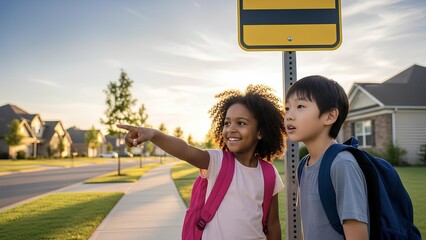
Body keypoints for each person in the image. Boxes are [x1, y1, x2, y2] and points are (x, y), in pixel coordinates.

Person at [118, 84, 286, 240]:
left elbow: (272, 224)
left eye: (241, 123)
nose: (231, 129)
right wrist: (154, 135)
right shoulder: (218, 161)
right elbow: (185, 150)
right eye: (227, 123)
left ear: (260, 132)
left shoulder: (269, 174)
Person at [284, 75, 369, 240]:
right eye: (287, 108)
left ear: (330, 116)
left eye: (300, 106)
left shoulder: (342, 164)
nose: (289, 116)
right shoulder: (303, 165)